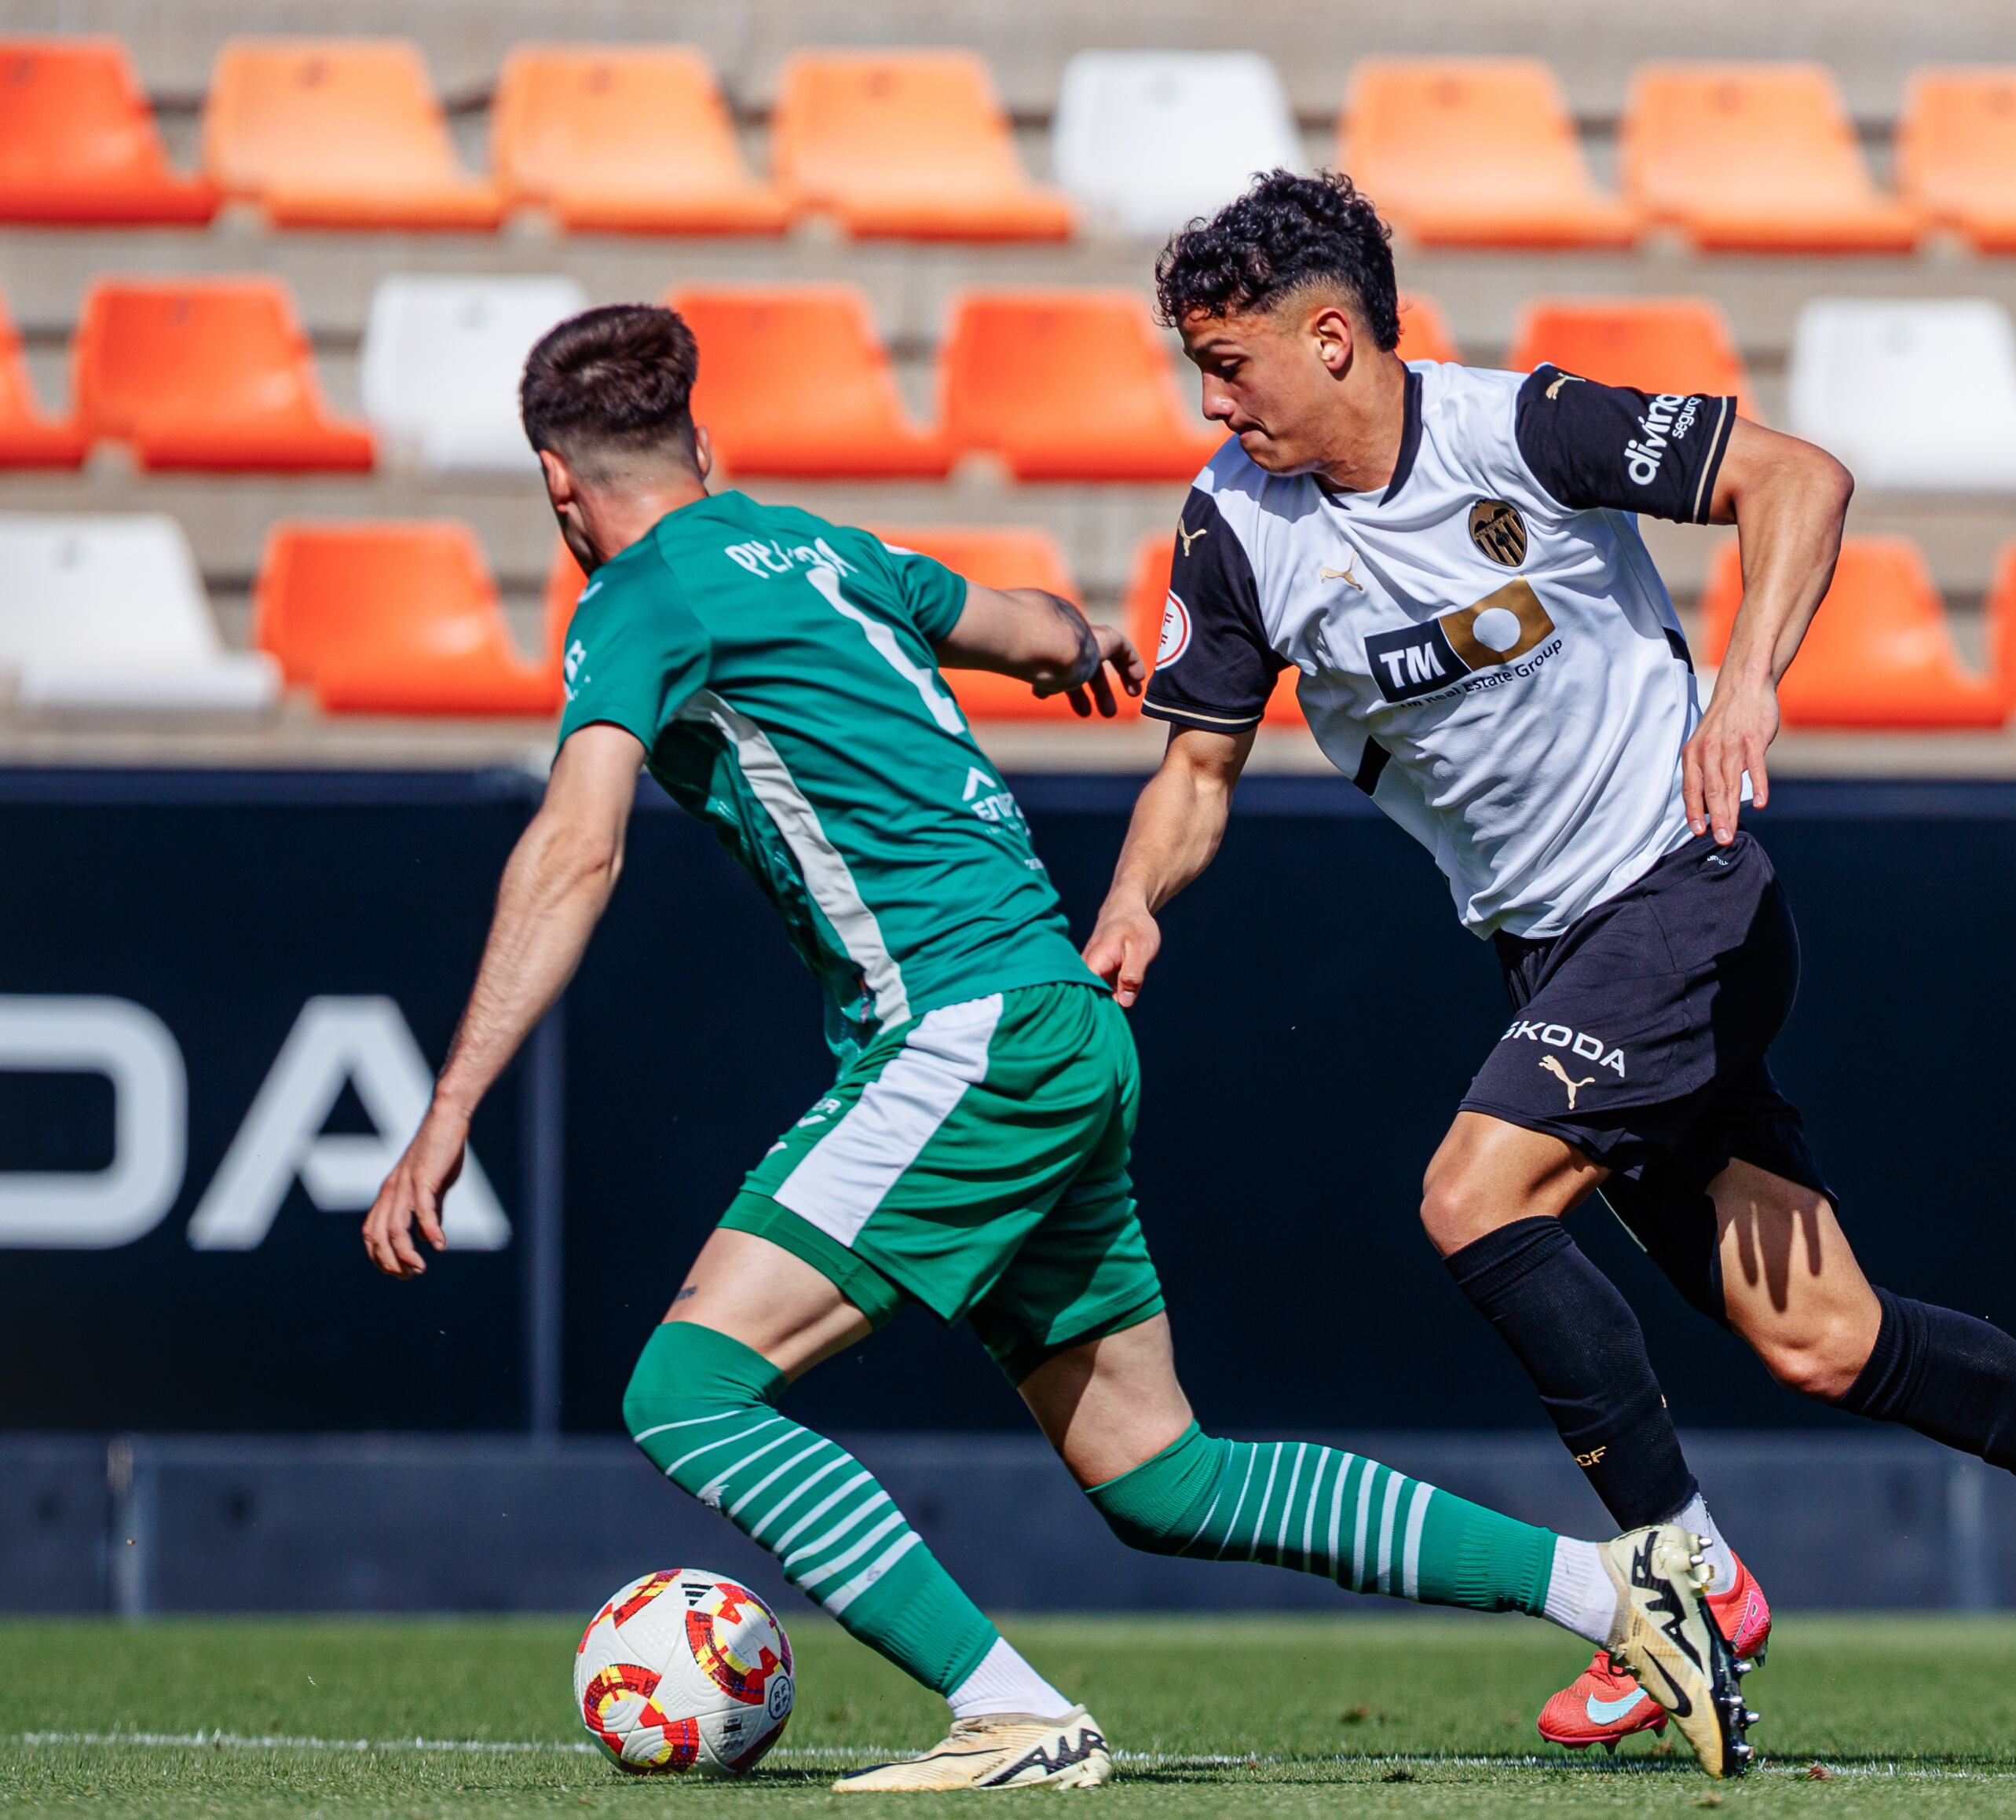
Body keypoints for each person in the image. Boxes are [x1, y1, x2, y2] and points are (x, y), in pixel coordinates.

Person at [357, 302, 1758, 1790]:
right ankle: (1622, 1593)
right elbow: (1017, 623)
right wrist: (1076, 646)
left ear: (562, 493)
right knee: (1160, 1473)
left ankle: (1011, 1710)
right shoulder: (816, 549)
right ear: (702, 445)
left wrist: (449, 1111)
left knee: (684, 1393)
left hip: (960, 1033)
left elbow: (578, 851)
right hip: (1058, 1029)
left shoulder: (636, 600)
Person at [1088, 170, 2016, 1752]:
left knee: (1469, 1196)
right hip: (1549, 959)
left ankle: (1675, 1581)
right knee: (1823, 1336)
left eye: (1229, 360)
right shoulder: (1234, 526)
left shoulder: (1519, 430)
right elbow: (1194, 772)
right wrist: (1136, 897)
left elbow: (1796, 477)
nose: (1211, 398)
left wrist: (1742, 682)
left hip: (1681, 896)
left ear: (1333, 338)